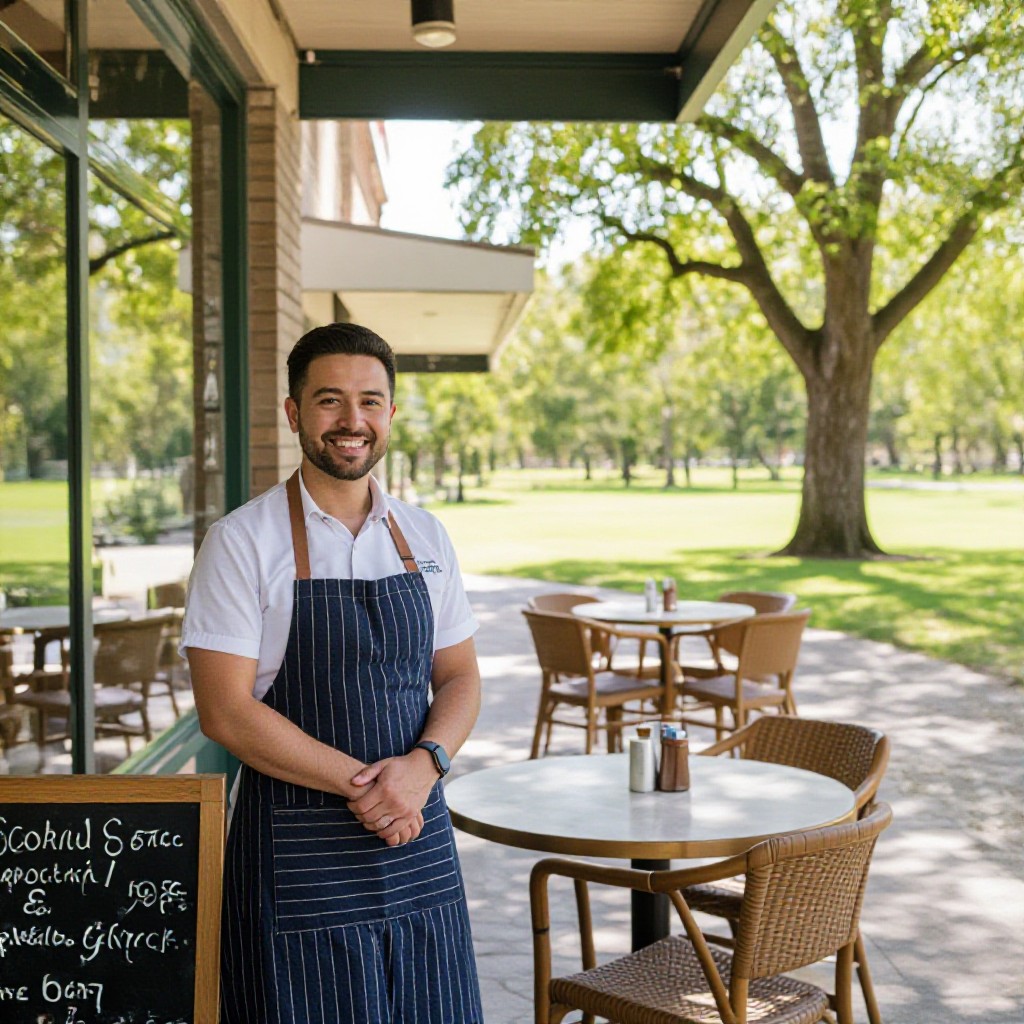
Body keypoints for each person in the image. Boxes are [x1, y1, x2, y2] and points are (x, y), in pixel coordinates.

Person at [182, 323, 483, 1024]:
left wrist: (425, 766)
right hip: (299, 861)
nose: (352, 422)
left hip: (418, 843)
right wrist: (375, 789)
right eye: (329, 401)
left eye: (370, 402)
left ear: (391, 415)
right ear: (293, 413)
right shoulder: (240, 542)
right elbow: (225, 712)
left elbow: (461, 676)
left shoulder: (426, 535)